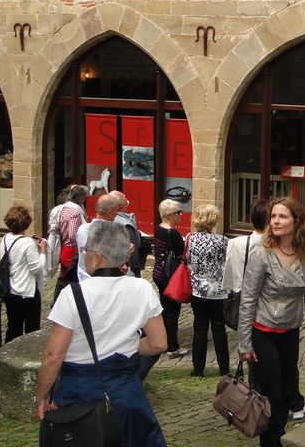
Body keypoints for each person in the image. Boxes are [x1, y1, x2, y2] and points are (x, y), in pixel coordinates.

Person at [34, 221, 167, 446]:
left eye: (85, 250)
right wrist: (126, 345)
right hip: (126, 394)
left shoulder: (72, 294)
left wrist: (41, 397)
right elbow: (158, 344)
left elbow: (53, 357)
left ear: (97, 257)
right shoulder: (142, 288)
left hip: (79, 394)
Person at [239, 197, 305, 447]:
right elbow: (248, 298)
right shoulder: (261, 253)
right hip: (263, 331)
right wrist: (244, 343)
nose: (275, 221)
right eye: (273, 216)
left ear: (296, 221)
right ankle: (271, 442)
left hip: (290, 330)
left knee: (287, 390)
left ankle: (279, 436)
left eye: (282, 216)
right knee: (271, 393)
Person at [187, 204, 230, 377]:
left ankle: (198, 369)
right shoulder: (223, 240)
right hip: (218, 290)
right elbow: (227, 263)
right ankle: (224, 369)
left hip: (198, 289)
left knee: (200, 328)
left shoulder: (190, 239)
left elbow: (188, 262)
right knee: (219, 329)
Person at [0, 205, 47, 343]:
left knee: (13, 327)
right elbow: (37, 268)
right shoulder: (28, 243)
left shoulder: (5, 238)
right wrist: (42, 252)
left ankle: (9, 352)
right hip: (27, 292)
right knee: (32, 330)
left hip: (11, 290)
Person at [151, 198, 189, 359]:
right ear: (167, 215)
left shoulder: (159, 228)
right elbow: (181, 255)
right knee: (173, 311)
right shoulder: (172, 233)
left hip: (159, 273)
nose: (181, 214)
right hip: (170, 276)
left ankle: (163, 341)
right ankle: (172, 347)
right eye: (177, 212)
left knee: (165, 309)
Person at [54, 184, 87, 302]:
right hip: (71, 250)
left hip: (65, 247)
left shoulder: (65, 209)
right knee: (70, 279)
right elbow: (73, 236)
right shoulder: (74, 213)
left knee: (65, 278)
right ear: (81, 198)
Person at [75, 194, 119, 282]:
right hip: (104, 281)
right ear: (110, 212)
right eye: (116, 211)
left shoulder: (82, 229)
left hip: (83, 280)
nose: (117, 214)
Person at [109, 190, 143, 278]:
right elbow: (133, 251)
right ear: (121, 206)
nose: (125, 195)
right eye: (123, 196)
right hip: (127, 270)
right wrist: (136, 271)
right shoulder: (126, 225)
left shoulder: (110, 219)